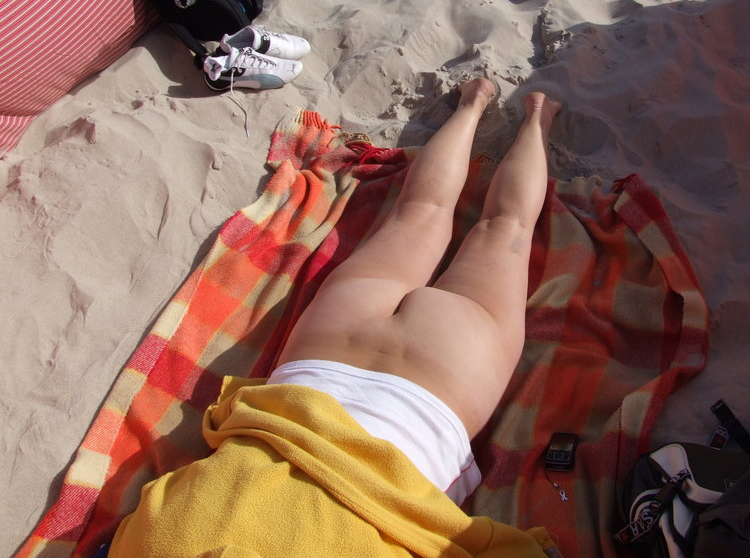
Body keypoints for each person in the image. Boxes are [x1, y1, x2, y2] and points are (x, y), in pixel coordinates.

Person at [109, 78, 564, 558]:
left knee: (502, 228)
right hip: (322, 364)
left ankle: (535, 116)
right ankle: (475, 104)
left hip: (439, 392)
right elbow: (153, 503)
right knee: (421, 211)